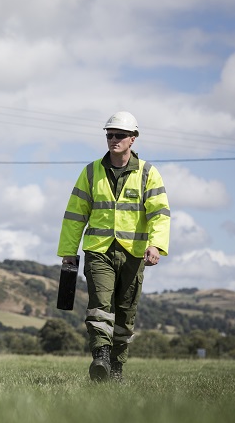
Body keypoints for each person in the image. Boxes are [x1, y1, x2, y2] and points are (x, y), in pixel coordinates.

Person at [57, 111, 170, 382]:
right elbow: (74, 215)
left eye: (119, 135)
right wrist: (69, 253)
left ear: (132, 139)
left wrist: (156, 245)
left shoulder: (148, 173)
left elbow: (159, 213)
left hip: (133, 252)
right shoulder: (91, 171)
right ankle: (101, 356)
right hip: (98, 250)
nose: (113, 139)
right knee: (100, 304)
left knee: (126, 312)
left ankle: (117, 367)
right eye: (109, 135)